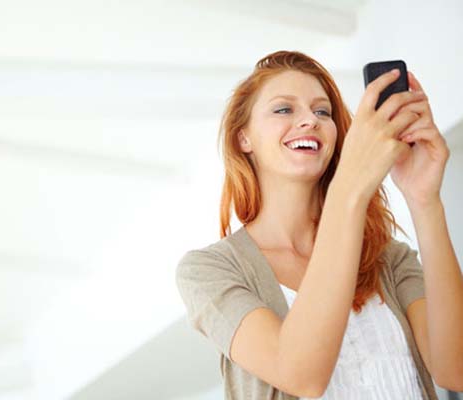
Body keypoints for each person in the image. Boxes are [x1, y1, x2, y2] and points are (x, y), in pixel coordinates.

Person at [175, 51, 462, 399]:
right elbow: (302, 376)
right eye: (284, 109)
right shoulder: (209, 271)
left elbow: (456, 369)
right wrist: (350, 187)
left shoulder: (387, 258)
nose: (309, 120)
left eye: (322, 112)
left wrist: (424, 200)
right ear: (243, 138)